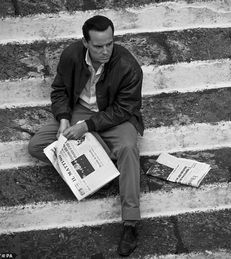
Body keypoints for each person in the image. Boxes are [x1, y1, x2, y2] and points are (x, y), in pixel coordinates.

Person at [28, 15, 144, 257]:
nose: (106, 51)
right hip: (79, 112)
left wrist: (88, 126)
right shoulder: (71, 55)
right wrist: (63, 118)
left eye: (110, 44)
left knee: (127, 149)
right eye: (99, 46)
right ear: (85, 43)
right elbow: (59, 90)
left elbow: (125, 108)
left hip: (115, 115)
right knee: (37, 146)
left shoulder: (128, 65)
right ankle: (99, 177)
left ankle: (131, 223)